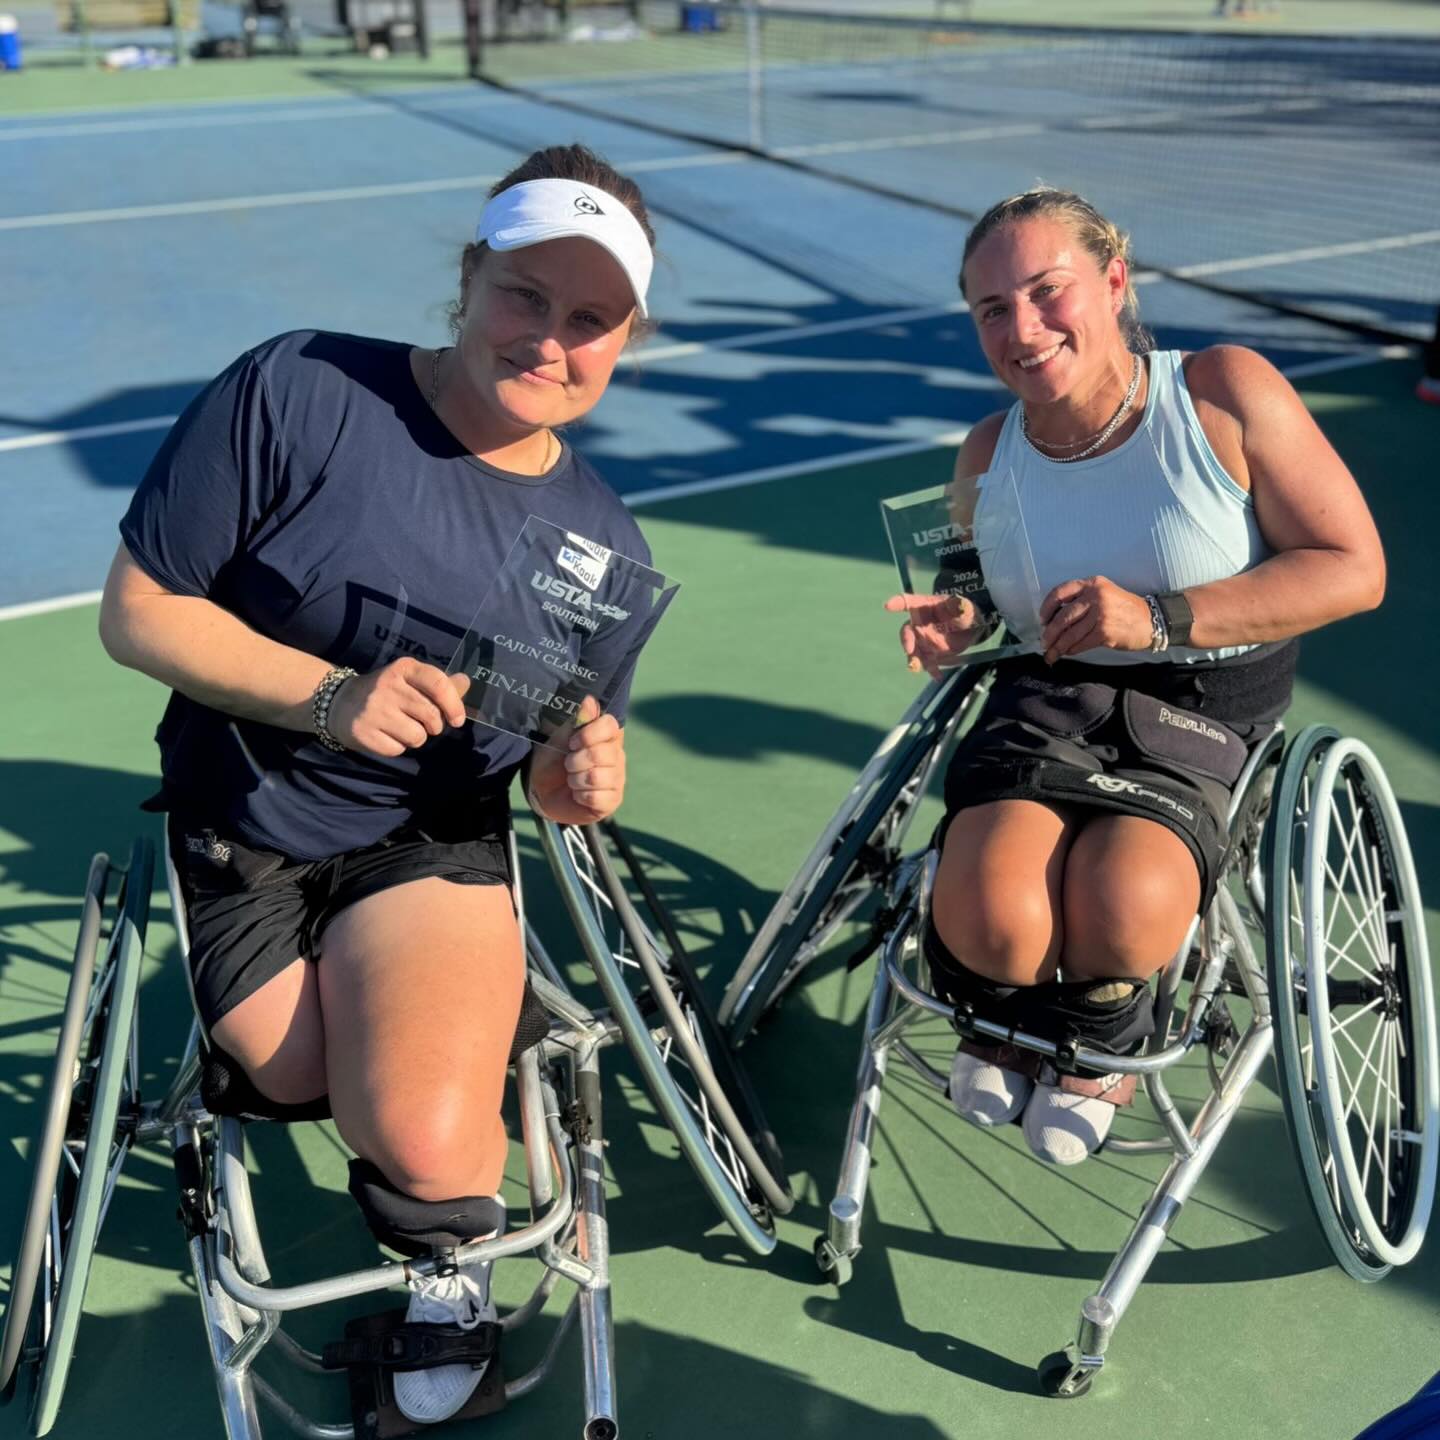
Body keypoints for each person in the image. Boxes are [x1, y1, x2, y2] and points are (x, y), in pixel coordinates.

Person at [99, 144, 657, 1425]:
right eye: (525, 296)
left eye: (589, 320)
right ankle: (449, 1036)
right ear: (468, 279)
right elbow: (138, 611)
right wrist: (331, 698)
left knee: (408, 1126)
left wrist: (584, 776)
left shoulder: (609, 553)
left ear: (625, 336)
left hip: (429, 841)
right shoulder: (297, 388)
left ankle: (447, 1265)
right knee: (291, 1072)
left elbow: (564, 782)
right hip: (243, 822)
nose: (549, 342)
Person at [887, 187, 1385, 1166]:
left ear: (1114, 282)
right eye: (993, 310)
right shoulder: (988, 451)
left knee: (1121, 905)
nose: (1022, 329)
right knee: (991, 916)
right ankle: (1007, 1005)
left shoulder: (1221, 392)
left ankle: (1108, 1030)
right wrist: (964, 614)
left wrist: (1160, 618)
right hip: (1047, 699)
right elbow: (972, 581)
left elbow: (1352, 566)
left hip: (1203, 708)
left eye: (1047, 291)